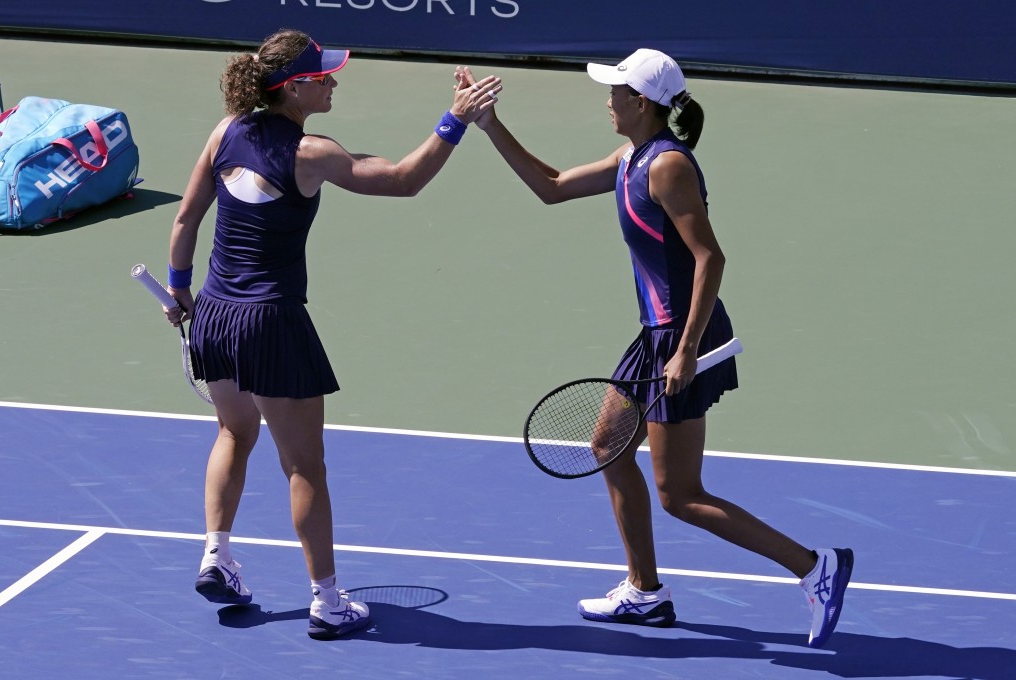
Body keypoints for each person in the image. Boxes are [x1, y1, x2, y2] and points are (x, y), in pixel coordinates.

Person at [457, 49, 852, 648]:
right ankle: (645, 592)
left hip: (684, 337)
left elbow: (709, 258)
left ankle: (814, 566)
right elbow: (554, 187)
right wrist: (488, 125)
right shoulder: (630, 157)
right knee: (608, 447)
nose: (607, 98)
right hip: (656, 335)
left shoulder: (667, 166)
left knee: (680, 495)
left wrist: (688, 349)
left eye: (615, 90)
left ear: (641, 102)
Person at [163, 29, 501, 641]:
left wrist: (180, 288)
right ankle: (327, 601)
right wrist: (454, 120)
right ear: (294, 88)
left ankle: (217, 555)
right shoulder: (310, 152)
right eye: (324, 76)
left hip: (214, 312)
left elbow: (187, 217)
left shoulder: (225, 131)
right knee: (304, 466)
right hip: (271, 322)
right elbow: (402, 179)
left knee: (233, 432)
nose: (334, 81)